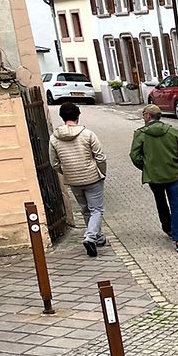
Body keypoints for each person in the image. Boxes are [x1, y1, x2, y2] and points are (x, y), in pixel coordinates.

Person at [130, 104, 178, 252]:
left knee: (160, 201)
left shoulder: (141, 134)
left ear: (148, 116)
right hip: (172, 175)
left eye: (143, 114)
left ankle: (168, 228)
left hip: (154, 177)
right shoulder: (172, 131)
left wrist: (146, 168)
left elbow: (134, 156)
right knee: (176, 205)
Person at [49, 103, 108, 257]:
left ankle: (97, 238)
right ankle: (90, 237)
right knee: (96, 210)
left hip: (73, 180)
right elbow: (100, 157)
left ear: (62, 117)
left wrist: (66, 172)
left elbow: (54, 163)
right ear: (78, 115)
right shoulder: (88, 134)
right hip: (92, 177)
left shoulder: (54, 138)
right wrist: (102, 172)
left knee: (85, 209)